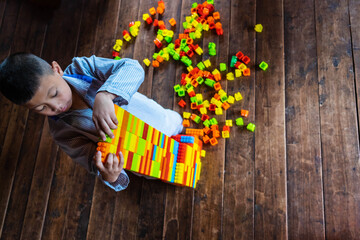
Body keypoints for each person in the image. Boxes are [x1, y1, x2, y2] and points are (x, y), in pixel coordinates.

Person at [0, 53, 183, 191]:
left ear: (57, 69)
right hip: (144, 156)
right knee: (164, 172)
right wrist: (110, 175)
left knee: (173, 123)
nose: (56, 106)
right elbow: (91, 160)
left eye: (54, 93)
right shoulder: (62, 133)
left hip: (156, 118)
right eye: (41, 108)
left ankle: (179, 128)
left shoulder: (83, 68)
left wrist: (105, 94)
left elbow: (132, 68)